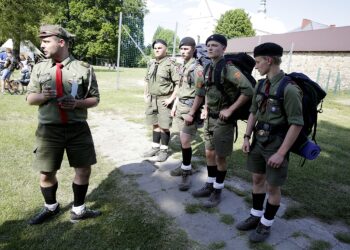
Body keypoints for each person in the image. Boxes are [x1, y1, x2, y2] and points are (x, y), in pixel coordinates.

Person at [27, 24, 101, 225]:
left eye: (46, 41)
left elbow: (95, 99)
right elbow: (30, 99)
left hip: (78, 129)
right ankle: (51, 207)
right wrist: (43, 96)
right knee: (46, 172)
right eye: (42, 41)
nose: (42, 45)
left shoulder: (84, 69)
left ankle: (78, 209)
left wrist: (77, 103)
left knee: (83, 169)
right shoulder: (39, 68)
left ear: (61, 42)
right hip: (49, 130)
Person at [235, 42, 303, 242]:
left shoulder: (290, 89)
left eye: (257, 62)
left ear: (269, 60)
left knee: (272, 187)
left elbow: (296, 124)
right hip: (258, 140)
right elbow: (254, 112)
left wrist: (281, 153)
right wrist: (247, 137)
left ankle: (266, 224)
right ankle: (255, 216)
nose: (255, 67)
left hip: (276, 143)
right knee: (257, 180)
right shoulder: (261, 84)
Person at [192, 34, 253, 207]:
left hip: (223, 121)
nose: (210, 48)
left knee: (220, 157)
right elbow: (205, 91)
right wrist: (204, 109)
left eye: (215, 45)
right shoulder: (207, 67)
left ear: (224, 48)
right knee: (209, 153)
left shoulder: (229, 68)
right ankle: (209, 185)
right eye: (209, 45)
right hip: (210, 119)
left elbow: (248, 91)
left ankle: (217, 191)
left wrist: (231, 109)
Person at [170, 37, 205, 191]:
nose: (183, 51)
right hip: (181, 106)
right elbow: (180, 86)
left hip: (191, 108)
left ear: (193, 49)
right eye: (182, 48)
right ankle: (186, 165)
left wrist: (192, 113)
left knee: (185, 140)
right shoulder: (184, 66)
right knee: (183, 140)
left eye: (186, 48)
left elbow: (200, 93)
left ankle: (186, 172)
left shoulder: (197, 69)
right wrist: (175, 105)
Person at [143, 39, 180, 162]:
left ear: (166, 49)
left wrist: (171, 99)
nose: (157, 50)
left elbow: (178, 83)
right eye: (155, 48)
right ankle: (155, 147)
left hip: (165, 100)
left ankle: (164, 150)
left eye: (160, 48)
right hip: (152, 99)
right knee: (155, 124)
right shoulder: (151, 63)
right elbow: (147, 79)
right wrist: (146, 93)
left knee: (164, 126)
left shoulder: (171, 64)